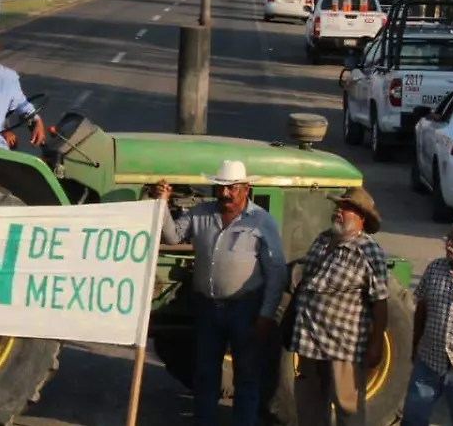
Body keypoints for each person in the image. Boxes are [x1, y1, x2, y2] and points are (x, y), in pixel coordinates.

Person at [157, 161, 287, 426]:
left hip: (246, 309)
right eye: (222, 188)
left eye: (233, 189)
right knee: (205, 373)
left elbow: (276, 273)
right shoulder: (201, 213)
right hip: (207, 307)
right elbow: (172, 237)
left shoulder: (262, 221)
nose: (226, 194)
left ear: (246, 189)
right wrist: (161, 203)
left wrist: (266, 314)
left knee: (246, 375)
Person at [286, 187, 389, 426]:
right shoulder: (323, 239)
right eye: (338, 207)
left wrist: (375, 344)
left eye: (346, 208)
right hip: (309, 343)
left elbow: (381, 303)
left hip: (344, 348)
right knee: (309, 408)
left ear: (361, 218)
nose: (338, 212)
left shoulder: (369, 251)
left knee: (348, 409)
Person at [400, 218, 453, 425]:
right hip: (428, 361)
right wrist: (416, 344)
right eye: (448, 239)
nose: (449, 245)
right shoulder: (436, 268)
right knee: (412, 420)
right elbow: (422, 308)